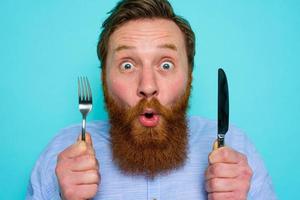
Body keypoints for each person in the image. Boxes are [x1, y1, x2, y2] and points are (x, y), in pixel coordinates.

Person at [26, 0, 277, 199]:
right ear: (103, 77)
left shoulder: (236, 147)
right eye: (127, 65)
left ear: (189, 75)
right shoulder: (63, 153)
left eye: (166, 64)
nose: (147, 86)